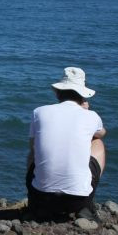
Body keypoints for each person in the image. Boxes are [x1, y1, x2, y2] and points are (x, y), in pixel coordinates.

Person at [26, 67, 106, 220]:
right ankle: (87, 206)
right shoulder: (91, 116)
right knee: (98, 142)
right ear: (83, 95)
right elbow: (102, 133)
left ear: (57, 92)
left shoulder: (39, 112)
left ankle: (33, 205)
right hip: (77, 202)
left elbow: (32, 148)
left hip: (41, 198)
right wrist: (86, 113)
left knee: (33, 151)